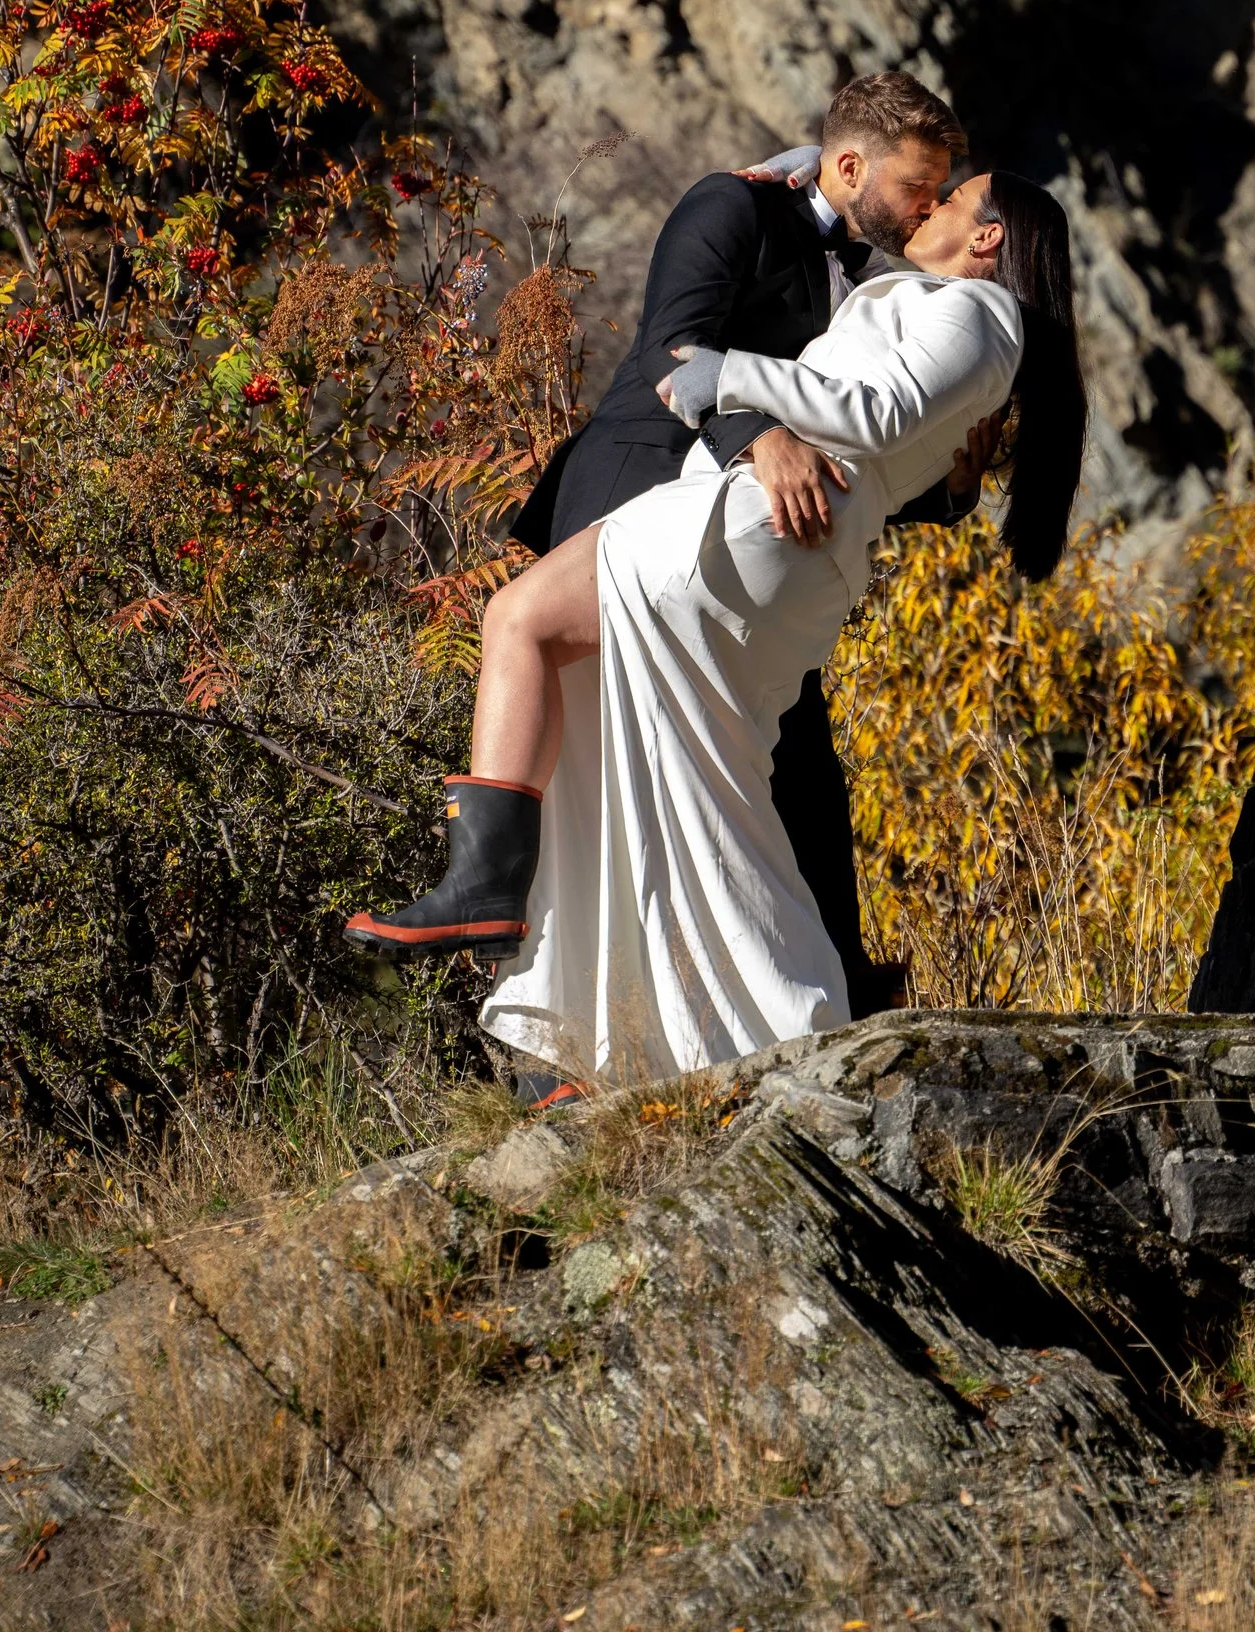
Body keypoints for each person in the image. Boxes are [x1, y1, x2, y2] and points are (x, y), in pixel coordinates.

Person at [354, 169, 1085, 1094]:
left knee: (521, 621)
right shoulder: (959, 323)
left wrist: (726, 376)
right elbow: (880, 418)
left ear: (988, 239)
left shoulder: (978, 318)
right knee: (680, 785)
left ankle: (490, 898)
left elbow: (876, 415)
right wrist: (809, 176)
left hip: (747, 531)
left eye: (949, 198)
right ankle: (635, 1041)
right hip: (782, 548)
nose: (928, 205)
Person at [348, 70, 963, 1002]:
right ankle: (510, 950)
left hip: (736, 522)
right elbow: (673, 350)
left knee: (791, 758)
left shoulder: (870, 277)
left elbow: (848, 437)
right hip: (636, 480)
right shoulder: (732, 206)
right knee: (608, 763)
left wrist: (955, 478)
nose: (928, 207)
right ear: (847, 164)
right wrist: (759, 437)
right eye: (917, 187)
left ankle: (833, 984)